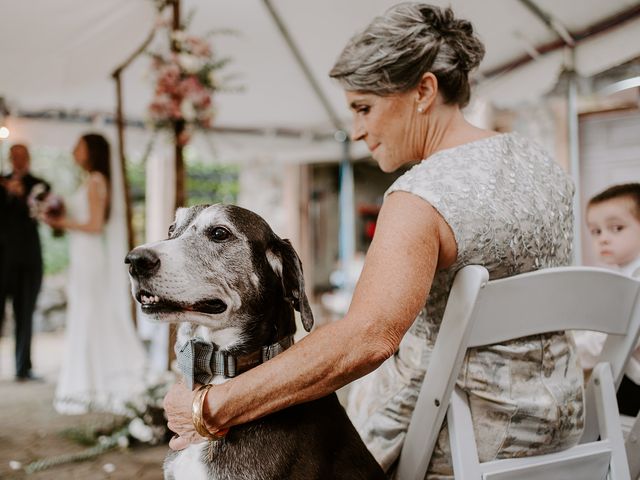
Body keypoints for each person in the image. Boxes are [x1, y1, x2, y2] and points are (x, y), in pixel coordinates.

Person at [162, 3, 584, 477]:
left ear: (424, 90)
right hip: (563, 417)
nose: (358, 130)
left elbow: (365, 340)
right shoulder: (541, 164)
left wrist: (211, 406)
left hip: (462, 435)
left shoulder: (422, 196)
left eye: (365, 107)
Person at [44, 133, 147, 414]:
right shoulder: (91, 180)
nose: (74, 151)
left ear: (91, 152)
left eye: (79, 147)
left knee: (89, 311)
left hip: (90, 256)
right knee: (85, 312)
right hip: (83, 255)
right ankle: (88, 378)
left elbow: (94, 225)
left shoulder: (95, 180)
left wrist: (60, 221)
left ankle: (93, 380)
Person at [574, 183, 640, 417]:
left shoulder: (631, 280)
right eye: (596, 231)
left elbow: (607, 340)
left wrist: (572, 352)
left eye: (616, 228)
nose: (603, 239)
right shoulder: (621, 276)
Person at [0, 144, 49, 381]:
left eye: (22, 156)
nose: (18, 160)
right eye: (14, 156)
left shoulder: (39, 185)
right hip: (1, 259)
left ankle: (23, 367)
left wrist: (22, 195)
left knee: (25, 314)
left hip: (28, 260)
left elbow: (42, 209)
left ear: (28, 158)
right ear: (9, 158)